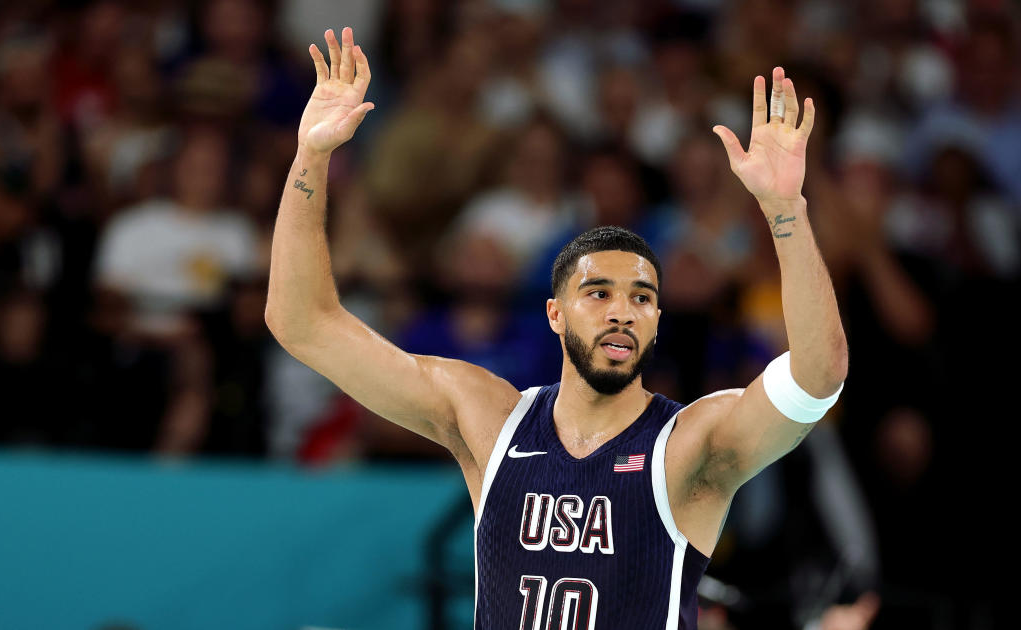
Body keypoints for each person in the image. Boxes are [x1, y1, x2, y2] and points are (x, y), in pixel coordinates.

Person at [265, 27, 847, 629]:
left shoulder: (688, 448)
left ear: (656, 322)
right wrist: (311, 157)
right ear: (555, 313)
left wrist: (785, 212)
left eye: (642, 298)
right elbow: (300, 321)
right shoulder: (488, 419)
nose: (622, 310)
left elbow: (818, 376)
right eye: (598, 293)